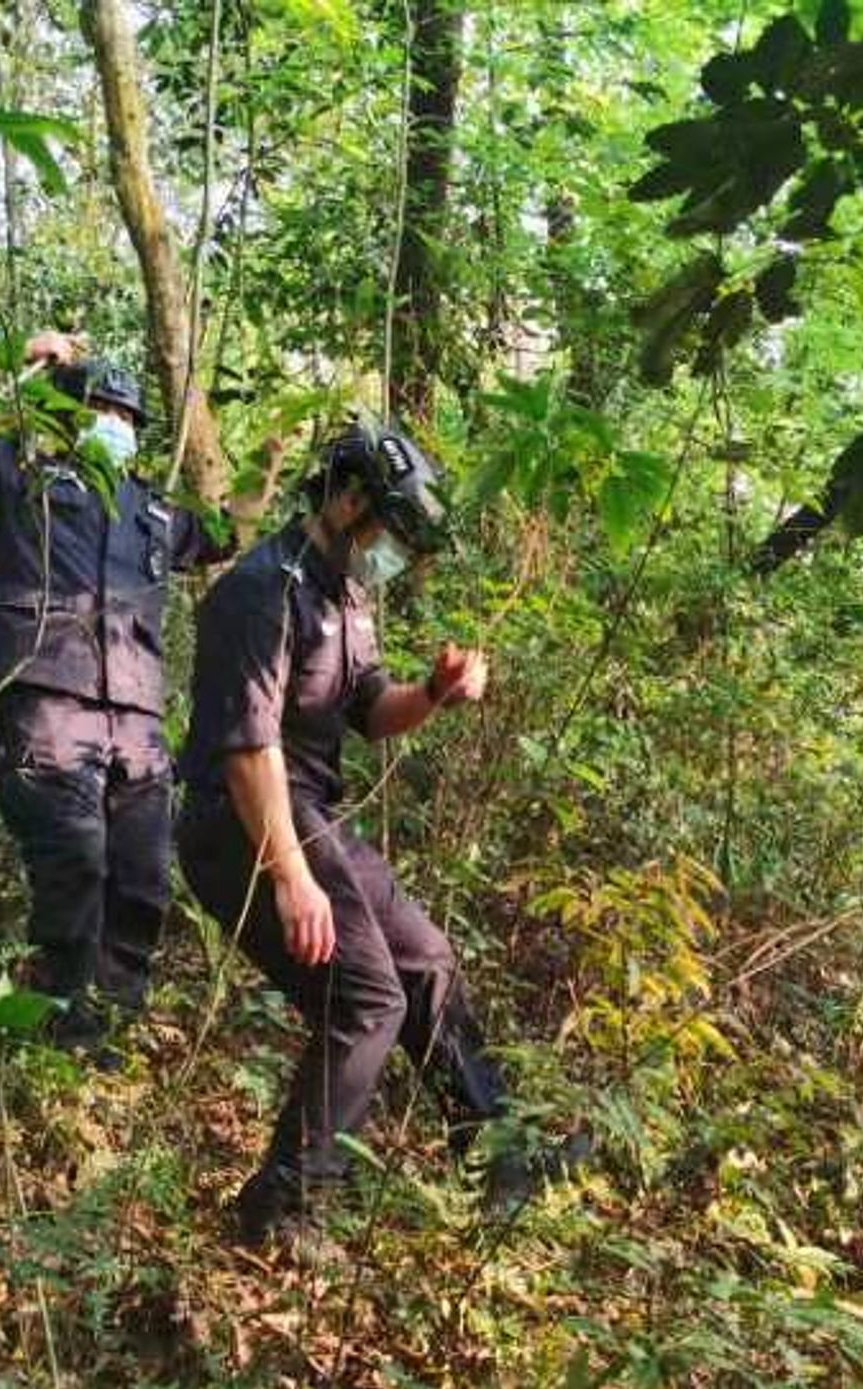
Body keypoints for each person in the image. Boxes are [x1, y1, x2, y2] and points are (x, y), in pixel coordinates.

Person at [175, 420, 579, 1245]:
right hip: (243, 823)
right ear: (349, 498)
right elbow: (248, 749)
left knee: (424, 957)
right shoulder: (262, 589)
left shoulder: (346, 597)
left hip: (313, 814)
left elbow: (369, 711)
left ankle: (500, 1147)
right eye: (390, 533)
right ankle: (284, 1205)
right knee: (366, 998)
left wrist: (433, 692)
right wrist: (290, 878)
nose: (392, 553)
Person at [0, 340, 231, 1061]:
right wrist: (13, 365)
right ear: (65, 417)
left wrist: (266, 474)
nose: (113, 421)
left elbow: (222, 535)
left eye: (125, 413)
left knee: (144, 872)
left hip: (138, 720)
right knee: (75, 858)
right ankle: (63, 1009)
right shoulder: (18, 474)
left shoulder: (152, 508)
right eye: (99, 408)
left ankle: (113, 1016)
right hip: (50, 705)